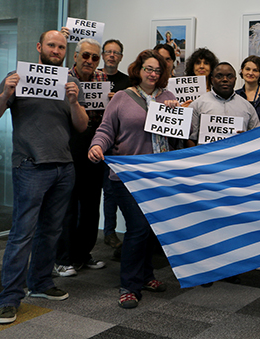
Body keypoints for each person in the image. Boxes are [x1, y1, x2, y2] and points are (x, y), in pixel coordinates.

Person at [0, 30, 88, 324]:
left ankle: (40, 283)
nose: (56, 50)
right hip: (30, 166)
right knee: (22, 233)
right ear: (39, 47)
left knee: (51, 231)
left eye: (61, 46)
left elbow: (81, 126)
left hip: (64, 167)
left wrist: (74, 102)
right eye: (51, 45)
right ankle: (9, 297)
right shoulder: (18, 77)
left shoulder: (70, 82)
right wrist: (5, 95)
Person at [88, 49, 178, 309]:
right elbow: (106, 129)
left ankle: (147, 275)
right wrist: (97, 146)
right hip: (127, 175)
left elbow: (183, 133)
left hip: (159, 176)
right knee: (138, 227)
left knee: (151, 229)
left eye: (158, 70)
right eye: (148, 68)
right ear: (138, 70)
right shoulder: (122, 98)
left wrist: (175, 112)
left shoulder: (169, 97)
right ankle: (129, 285)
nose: (153, 74)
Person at [54, 38, 108, 277]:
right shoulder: (61, 78)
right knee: (67, 204)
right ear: (75, 56)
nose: (89, 61)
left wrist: (113, 101)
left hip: (95, 144)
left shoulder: (104, 80)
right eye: (85, 55)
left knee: (91, 203)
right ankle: (62, 258)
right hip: (68, 143)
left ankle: (83, 254)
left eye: (95, 57)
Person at [100, 39, 130, 250]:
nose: (112, 55)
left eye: (116, 52)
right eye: (108, 52)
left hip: (118, 144)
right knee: (101, 193)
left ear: (121, 57)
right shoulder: (94, 78)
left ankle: (116, 233)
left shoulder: (127, 83)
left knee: (114, 189)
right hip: (94, 141)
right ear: (103, 55)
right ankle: (108, 231)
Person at [187, 62, 260, 147]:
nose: (225, 79)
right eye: (219, 76)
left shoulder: (247, 107)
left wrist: (246, 137)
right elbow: (190, 139)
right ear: (212, 79)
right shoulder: (197, 104)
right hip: (207, 158)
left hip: (237, 158)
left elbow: (257, 138)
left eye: (229, 76)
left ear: (235, 80)